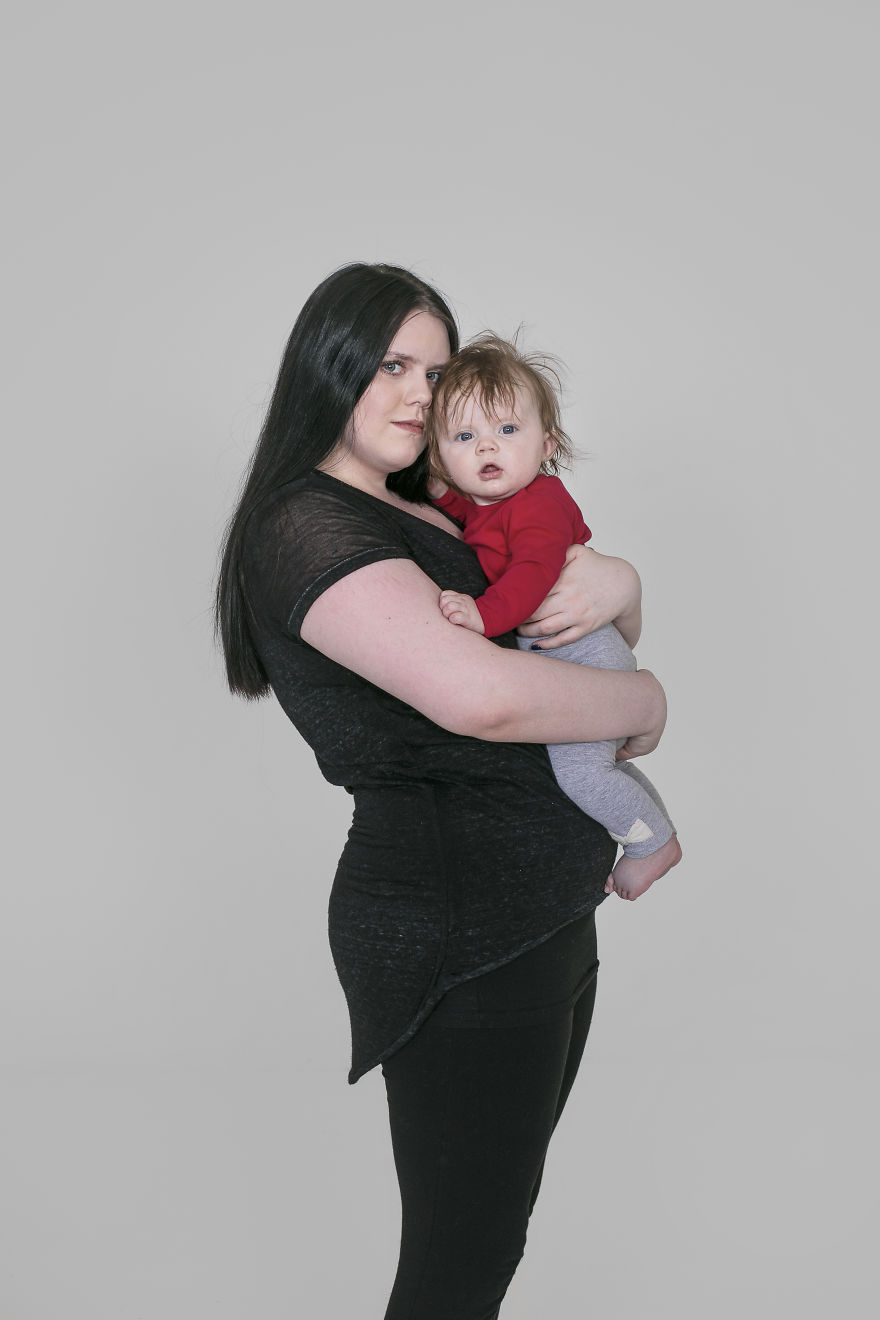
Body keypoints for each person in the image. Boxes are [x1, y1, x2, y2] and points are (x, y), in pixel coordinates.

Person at [215, 263, 673, 1320]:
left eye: (436, 366)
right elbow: (481, 699)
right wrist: (645, 701)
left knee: (491, 1243)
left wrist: (625, 589)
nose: (421, 394)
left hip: (543, 910)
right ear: (327, 368)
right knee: (458, 1268)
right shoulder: (307, 526)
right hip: (458, 928)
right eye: (390, 364)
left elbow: (557, 624)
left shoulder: (432, 507)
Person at [425, 333, 681, 901]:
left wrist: (481, 615)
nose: (487, 449)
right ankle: (653, 827)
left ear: (548, 443)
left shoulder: (540, 503)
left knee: (582, 773)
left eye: (507, 431)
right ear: (441, 454)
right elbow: (460, 509)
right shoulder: (489, 503)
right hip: (567, 652)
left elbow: (533, 576)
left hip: (585, 652)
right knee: (596, 766)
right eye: (466, 437)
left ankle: (650, 844)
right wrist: (438, 493)